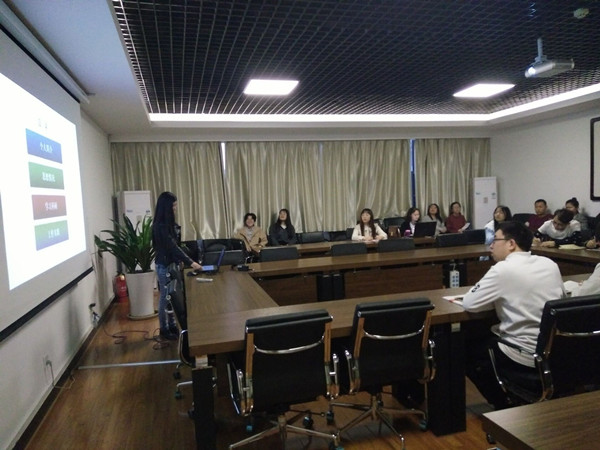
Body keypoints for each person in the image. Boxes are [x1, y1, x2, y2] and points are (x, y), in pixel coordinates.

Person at [462, 221, 565, 409]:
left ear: (511, 244)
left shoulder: (503, 269)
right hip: (554, 350)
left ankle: (503, 406)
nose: (491, 246)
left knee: (463, 350)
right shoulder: (549, 264)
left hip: (521, 351)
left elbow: (470, 303)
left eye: (495, 240)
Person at [152, 192, 202, 341]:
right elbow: (172, 247)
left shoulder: (169, 224)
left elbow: (176, 245)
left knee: (172, 297)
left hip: (171, 264)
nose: (175, 208)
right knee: (165, 298)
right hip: (163, 265)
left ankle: (172, 325)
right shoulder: (159, 226)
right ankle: (164, 328)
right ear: (166, 207)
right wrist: (191, 262)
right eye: (173, 206)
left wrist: (181, 261)